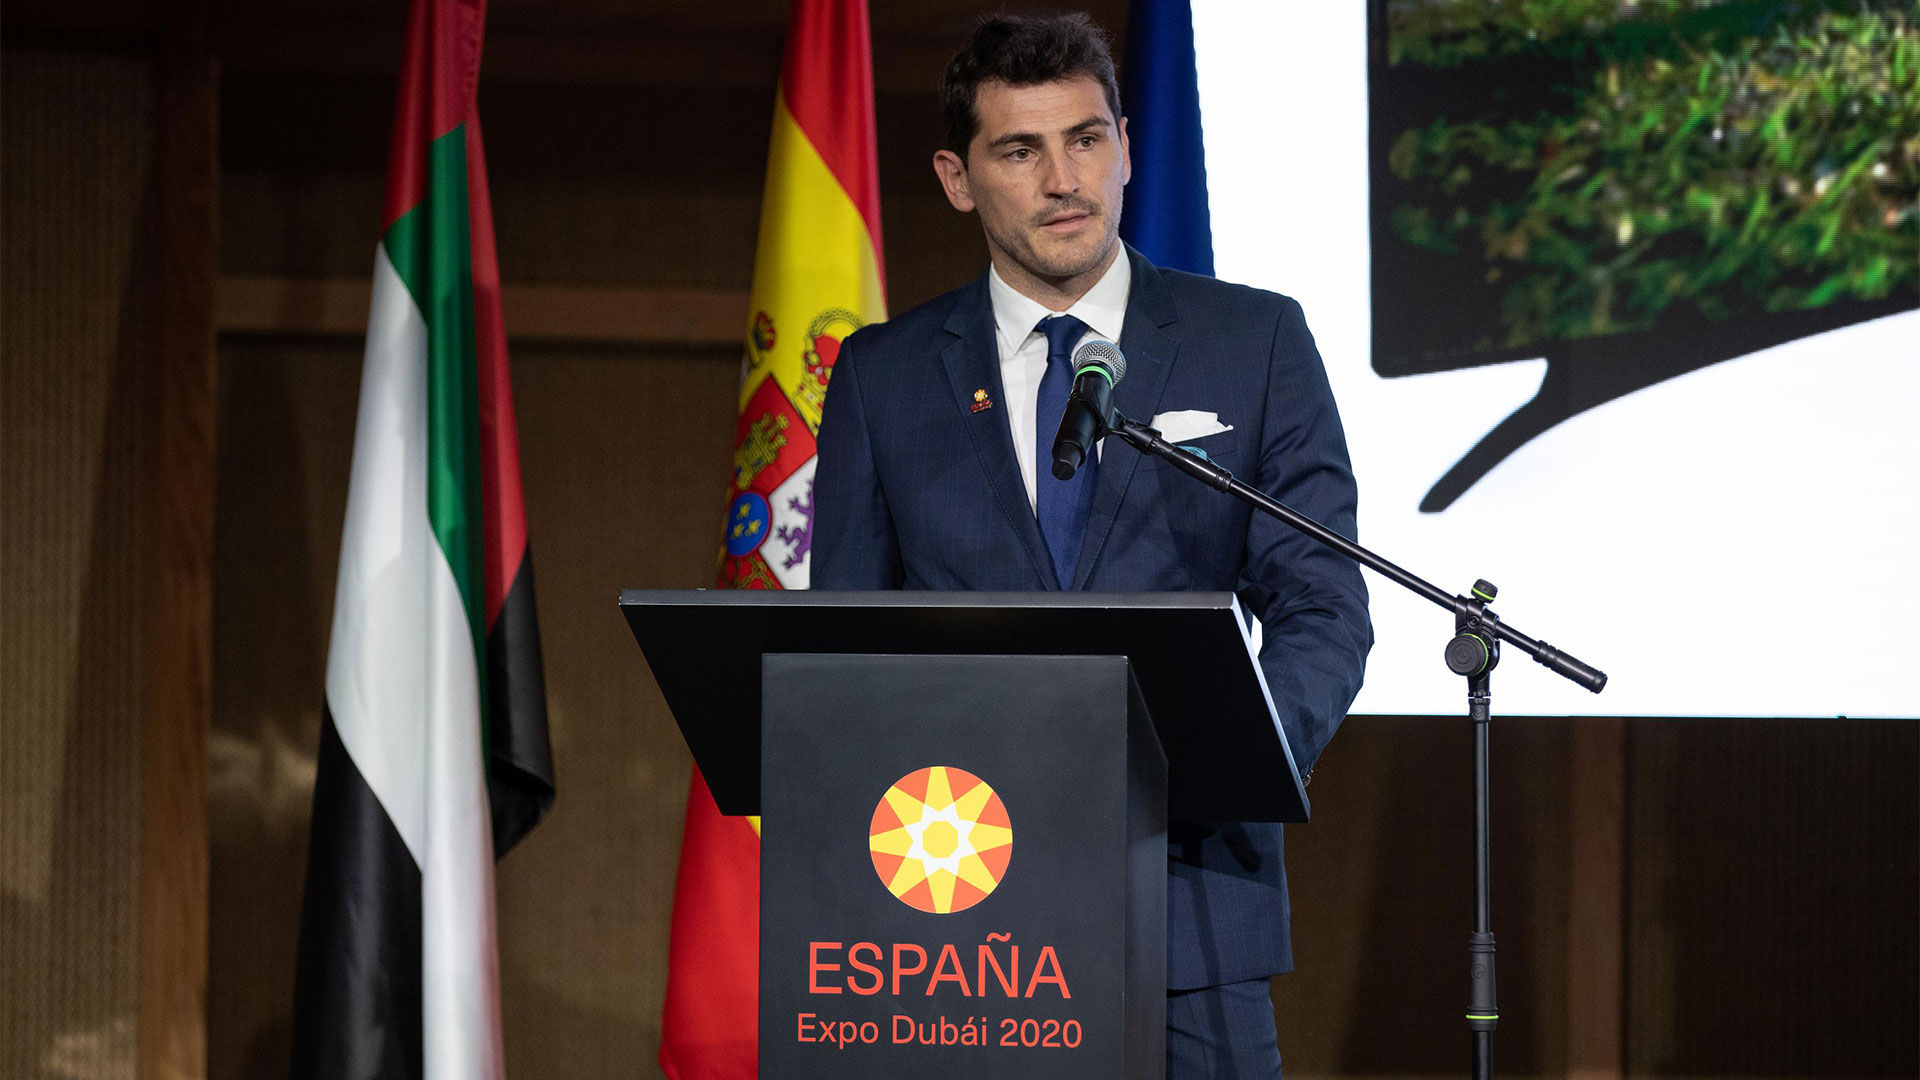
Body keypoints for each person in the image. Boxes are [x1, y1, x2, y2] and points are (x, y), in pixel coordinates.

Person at [812, 13, 1371, 1078]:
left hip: (1193, 900)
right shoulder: (882, 376)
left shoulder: (1252, 342)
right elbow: (847, 639)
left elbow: (1324, 606)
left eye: (1085, 140)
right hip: (955, 912)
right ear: (958, 177)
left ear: (1123, 145)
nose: (1063, 178)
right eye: (1021, 151)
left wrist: (1236, 761)